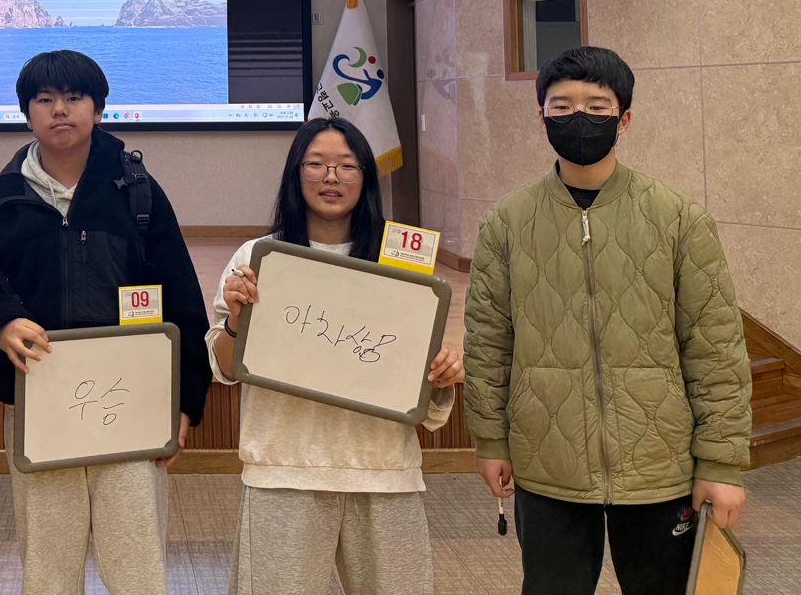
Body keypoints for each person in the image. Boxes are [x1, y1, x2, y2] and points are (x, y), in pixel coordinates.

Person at [463, 46, 752, 595]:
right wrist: (491, 439)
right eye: (562, 105)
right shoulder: (507, 223)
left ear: (625, 119)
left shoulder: (678, 218)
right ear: (542, 117)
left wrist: (721, 463)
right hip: (548, 461)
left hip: (659, 463)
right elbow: (488, 343)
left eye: (597, 107)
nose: (579, 117)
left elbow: (715, 348)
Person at [0, 50, 212, 595]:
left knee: (138, 569)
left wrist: (185, 401)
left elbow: (183, 302)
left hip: (131, 407)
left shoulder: (138, 193)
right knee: (48, 570)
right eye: (45, 99)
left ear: (98, 110)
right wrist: (0, 324)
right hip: (38, 405)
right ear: (26, 113)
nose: (60, 110)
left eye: (74, 98)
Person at [206, 116, 462, 595]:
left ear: (365, 176)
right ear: (295, 173)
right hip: (284, 469)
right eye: (316, 164)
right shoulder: (258, 257)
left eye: (346, 165)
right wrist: (238, 320)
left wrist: (443, 376)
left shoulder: (401, 262)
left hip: (384, 469)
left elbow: (420, 390)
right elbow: (224, 369)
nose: (331, 177)